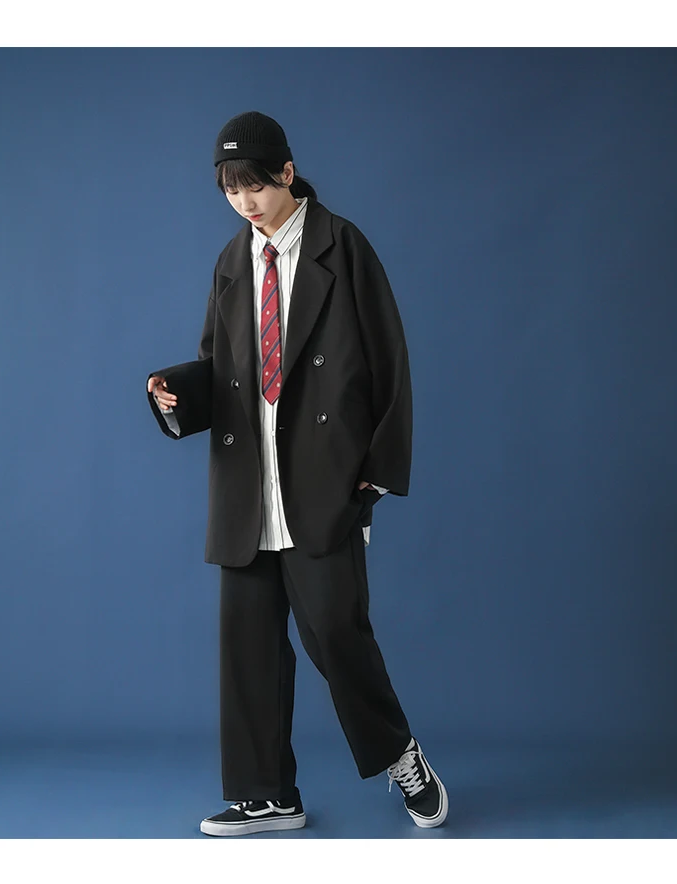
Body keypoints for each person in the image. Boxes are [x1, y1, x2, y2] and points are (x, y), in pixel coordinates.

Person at [145, 110, 449, 836]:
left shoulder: (343, 246)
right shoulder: (232, 260)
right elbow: (222, 367)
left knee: (337, 631)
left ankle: (399, 754)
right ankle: (267, 795)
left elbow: (391, 360)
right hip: (248, 481)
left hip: (322, 476)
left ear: (287, 172)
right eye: (230, 190)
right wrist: (176, 394)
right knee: (248, 644)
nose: (245, 202)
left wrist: (376, 471)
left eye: (255, 185)